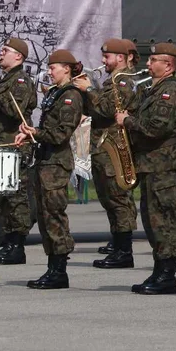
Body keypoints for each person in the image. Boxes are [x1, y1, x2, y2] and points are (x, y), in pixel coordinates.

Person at [116, 42, 176, 295]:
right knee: (151, 219)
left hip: (163, 165)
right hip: (151, 165)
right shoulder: (155, 90)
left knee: (163, 220)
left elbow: (157, 127)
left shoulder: (171, 91)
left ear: (168, 65)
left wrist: (128, 121)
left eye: (153, 59)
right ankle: (160, 270)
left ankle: (167, 274)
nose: (148, 63)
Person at [17, 50, 84, 289]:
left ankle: (59, 270)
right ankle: (53, 267)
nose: (49, 71)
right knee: (45, 216)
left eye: (53, 67)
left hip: (56, 163)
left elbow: (60, 133)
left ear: (66, 68)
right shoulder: (56, 94)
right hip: (46, 161)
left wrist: (36, 132)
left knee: (54, 215)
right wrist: (28, 135)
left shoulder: (70, 96)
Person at [75, 38, 139, 268]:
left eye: (108, 56)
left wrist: (89, 89)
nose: (103, 61)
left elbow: (106, 109)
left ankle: (124, 251)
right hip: (102, 147)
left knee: (118, 198)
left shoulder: (125, 82)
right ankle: (118, 244)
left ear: (121, 57)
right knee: (108, 198)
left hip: (114, 147)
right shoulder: (112, 81)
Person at [0, 37, 36, 265]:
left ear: (18, 56)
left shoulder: (20, 80)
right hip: (1, 144)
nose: (0, 54)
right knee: (3, 198)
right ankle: (8, 243)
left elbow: (16, 111)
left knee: (16, 198)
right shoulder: (8, 78)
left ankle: (17, 246)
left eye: (5, 51)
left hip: (15, 145)